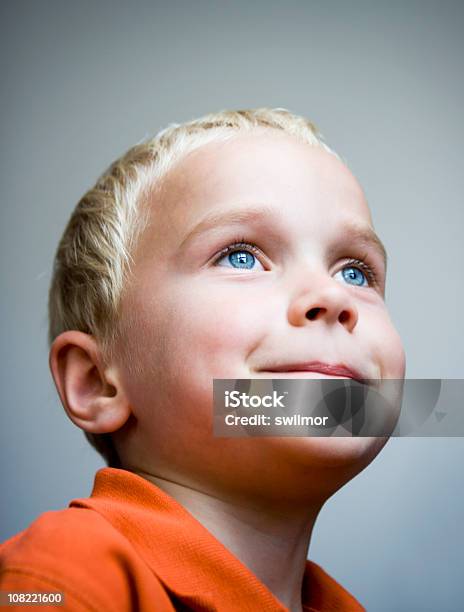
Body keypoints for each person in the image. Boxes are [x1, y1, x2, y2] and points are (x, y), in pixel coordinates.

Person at [0, 108, 406, 611]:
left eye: (356, 272)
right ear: (96, 382)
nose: (332, 296)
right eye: (241, 255)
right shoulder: (65, 577)